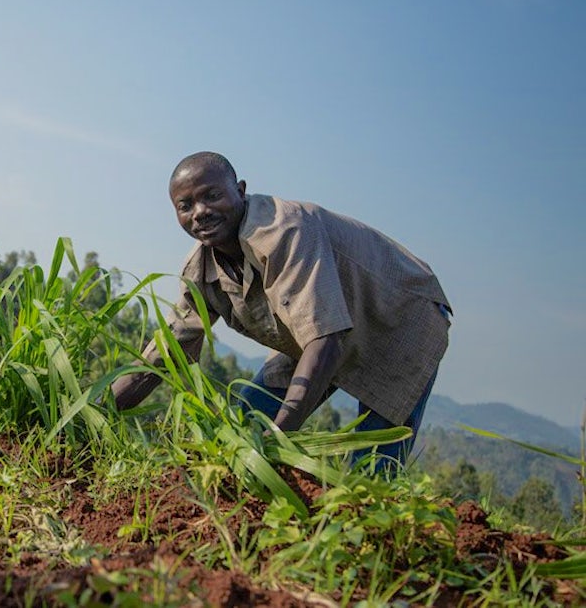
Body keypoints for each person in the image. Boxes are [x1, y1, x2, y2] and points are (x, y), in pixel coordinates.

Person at [109, 151, 451, 473]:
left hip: (397, 320)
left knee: (372, 467)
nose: (199, 211)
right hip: (316, 335)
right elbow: (168, 352)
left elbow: (326, 340)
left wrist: (278, 434)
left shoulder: (285, 230)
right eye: (185, 205)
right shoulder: (199, 268)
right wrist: (93, 413)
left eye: (211, 195)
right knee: (244, 427)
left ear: (240, 191)